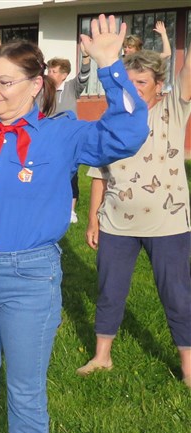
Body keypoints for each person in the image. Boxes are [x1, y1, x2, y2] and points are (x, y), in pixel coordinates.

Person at [0, 15, 149, 433]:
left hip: (31, 276)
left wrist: (113, 67)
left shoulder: (62, 135)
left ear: (35, 84)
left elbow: (129, 132)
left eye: (4, 82)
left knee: (25, 394)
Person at [77, 44, 191, 389]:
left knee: (177, 293)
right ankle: (102, 356)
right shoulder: (112, 120)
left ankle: (188, 368)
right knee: (109, 291)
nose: (134, 88)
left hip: (167, 225)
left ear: (159, 85)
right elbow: (100, 173)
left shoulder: (173, 107)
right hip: (116, 223)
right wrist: (93, 219)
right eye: (129, 82)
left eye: (141, 81)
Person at [46, 43, 92, 223]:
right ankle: (49, 206)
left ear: (64, 75)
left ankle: (70, 211)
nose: (50, 74)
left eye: (54, 71)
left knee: (70, 174)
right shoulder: (42, 90)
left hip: (68, 140)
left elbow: (84, 76)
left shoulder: (72, 87)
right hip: (48, 138)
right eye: (49, 70)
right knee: (49, 172)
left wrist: (86, 57)